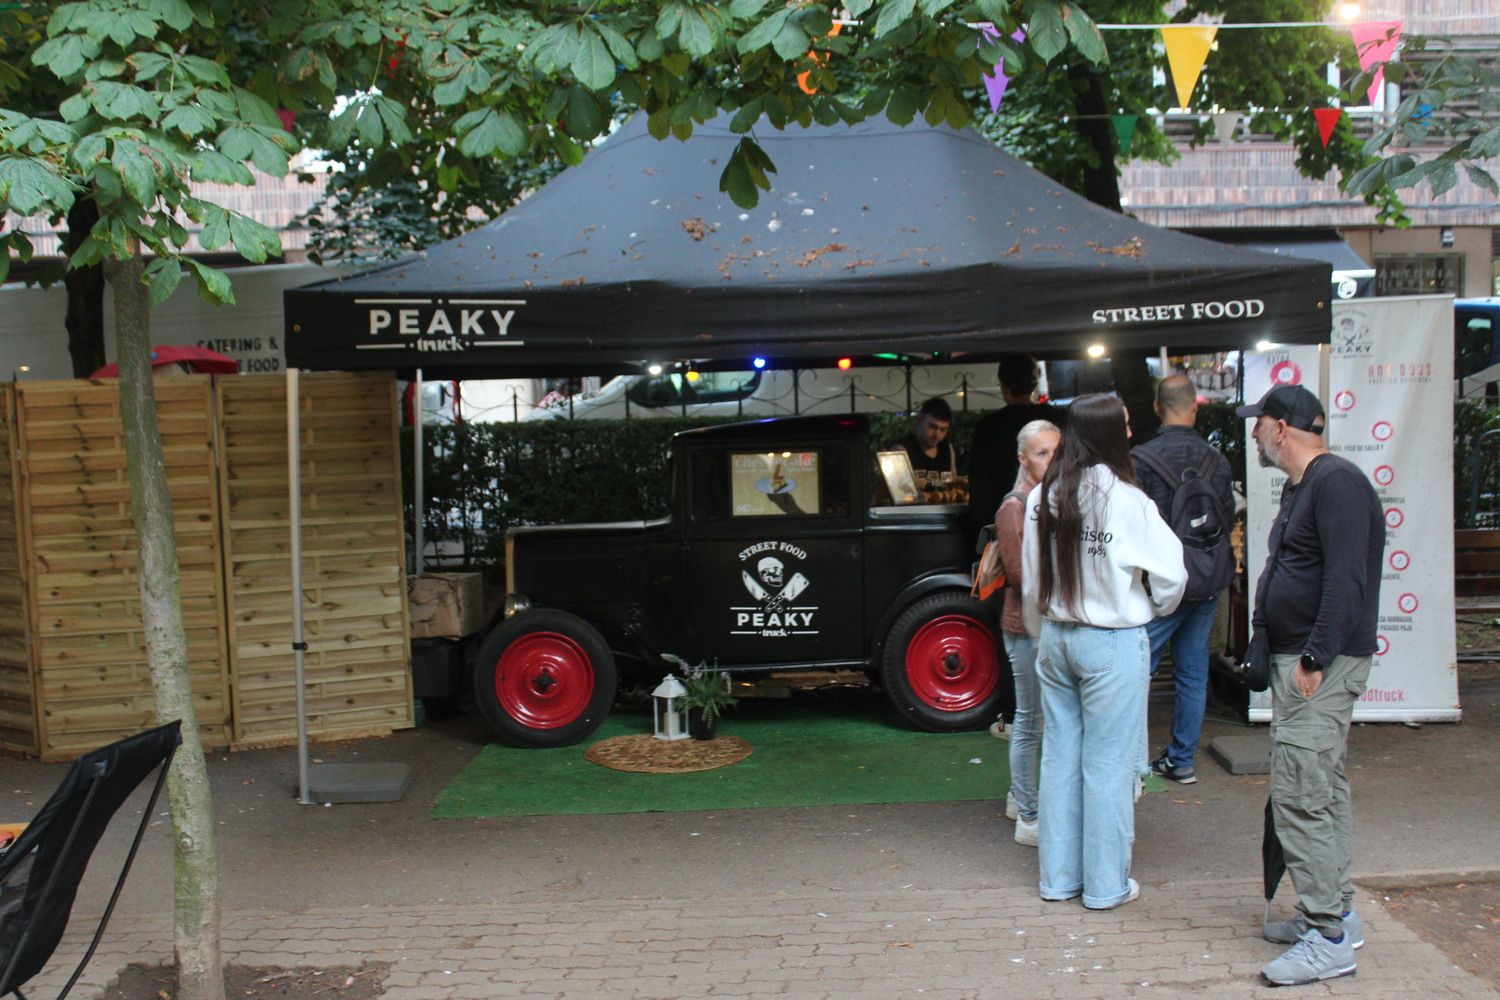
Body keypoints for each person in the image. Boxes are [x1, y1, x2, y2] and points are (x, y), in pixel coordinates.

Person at [1238, 384, 1382, 987]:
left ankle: (1327, 935)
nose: (1252, 435)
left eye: (1258, 423)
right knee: (1320, 788)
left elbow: (1347, 579)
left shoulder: (1337, 482)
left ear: (1281, 429)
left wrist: (1316, 654)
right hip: (1305, 661)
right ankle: (1335, 914)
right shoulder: (1308, 486)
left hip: (1318, 665)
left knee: (1300, 793)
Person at [1021, 394, 1185, 910]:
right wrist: (1152, 605)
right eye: (1127, 423)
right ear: (1112, 434)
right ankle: (1104, 886)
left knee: (1061, 759)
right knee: (1109, 766)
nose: (1132, 430)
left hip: (1054, 637)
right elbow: (1173, 575)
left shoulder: (1041, 496)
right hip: (1111, 640)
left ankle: (1058, 880)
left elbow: (1030, 578)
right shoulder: (1128, 500)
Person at [1131, 375, 1235, 785]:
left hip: (1160, 585)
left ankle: (1131, 760)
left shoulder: (1140, 459)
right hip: (1207, 579)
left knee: (1138, 668)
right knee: (1192, 672)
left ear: (1157, 408)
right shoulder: (1217, 459)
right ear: (1196, 407)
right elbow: (1226, 518)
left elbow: (1135, 528)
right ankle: (1182, 760)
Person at [994, 419, 1060, 847]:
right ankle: (1029, 816)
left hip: (1038, 623)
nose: (1051, 460)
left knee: (1035, 721)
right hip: (1024, 627)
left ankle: (1021, 799)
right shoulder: (1015, 505)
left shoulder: (1045, 498)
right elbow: (1020, 575)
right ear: (1023, 458)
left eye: (1056, 451)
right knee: (1029, 723)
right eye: (1042, 453)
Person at [968, 355, 1064, 541]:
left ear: (1004, 387)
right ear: (1034, 385)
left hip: (1002, 522)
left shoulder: (988, 427)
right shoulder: (1057, 418)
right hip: (1054, 519)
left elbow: (980, 486)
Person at [900, 397, 958, 476]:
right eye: (932, 427)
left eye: (943, 430)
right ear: (920, 420)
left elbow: (953, 480)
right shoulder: (902, 450)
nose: (937, 435)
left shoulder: (947, 448)